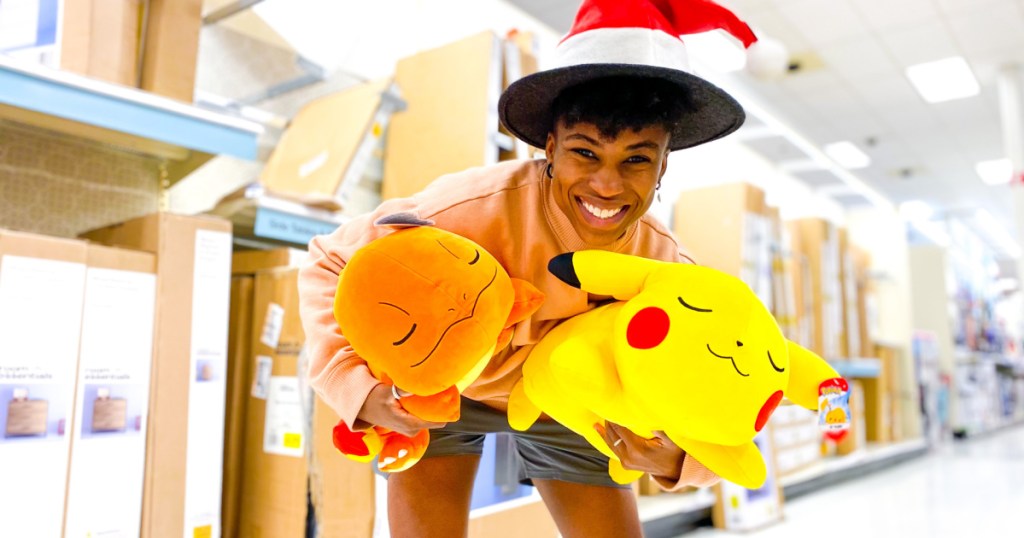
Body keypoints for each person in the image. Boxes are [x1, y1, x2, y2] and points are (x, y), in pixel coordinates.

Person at [299, 0, 767, 536]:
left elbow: (726, 384)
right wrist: (358, 388)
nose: (608, 186)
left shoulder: (664, 267)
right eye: (585, 153)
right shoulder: (464, 211)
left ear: (664, 165)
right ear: (549, 147)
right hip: (442, 384)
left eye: (637, 159)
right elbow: (329, 260)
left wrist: (678, 461)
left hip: (570, 403)